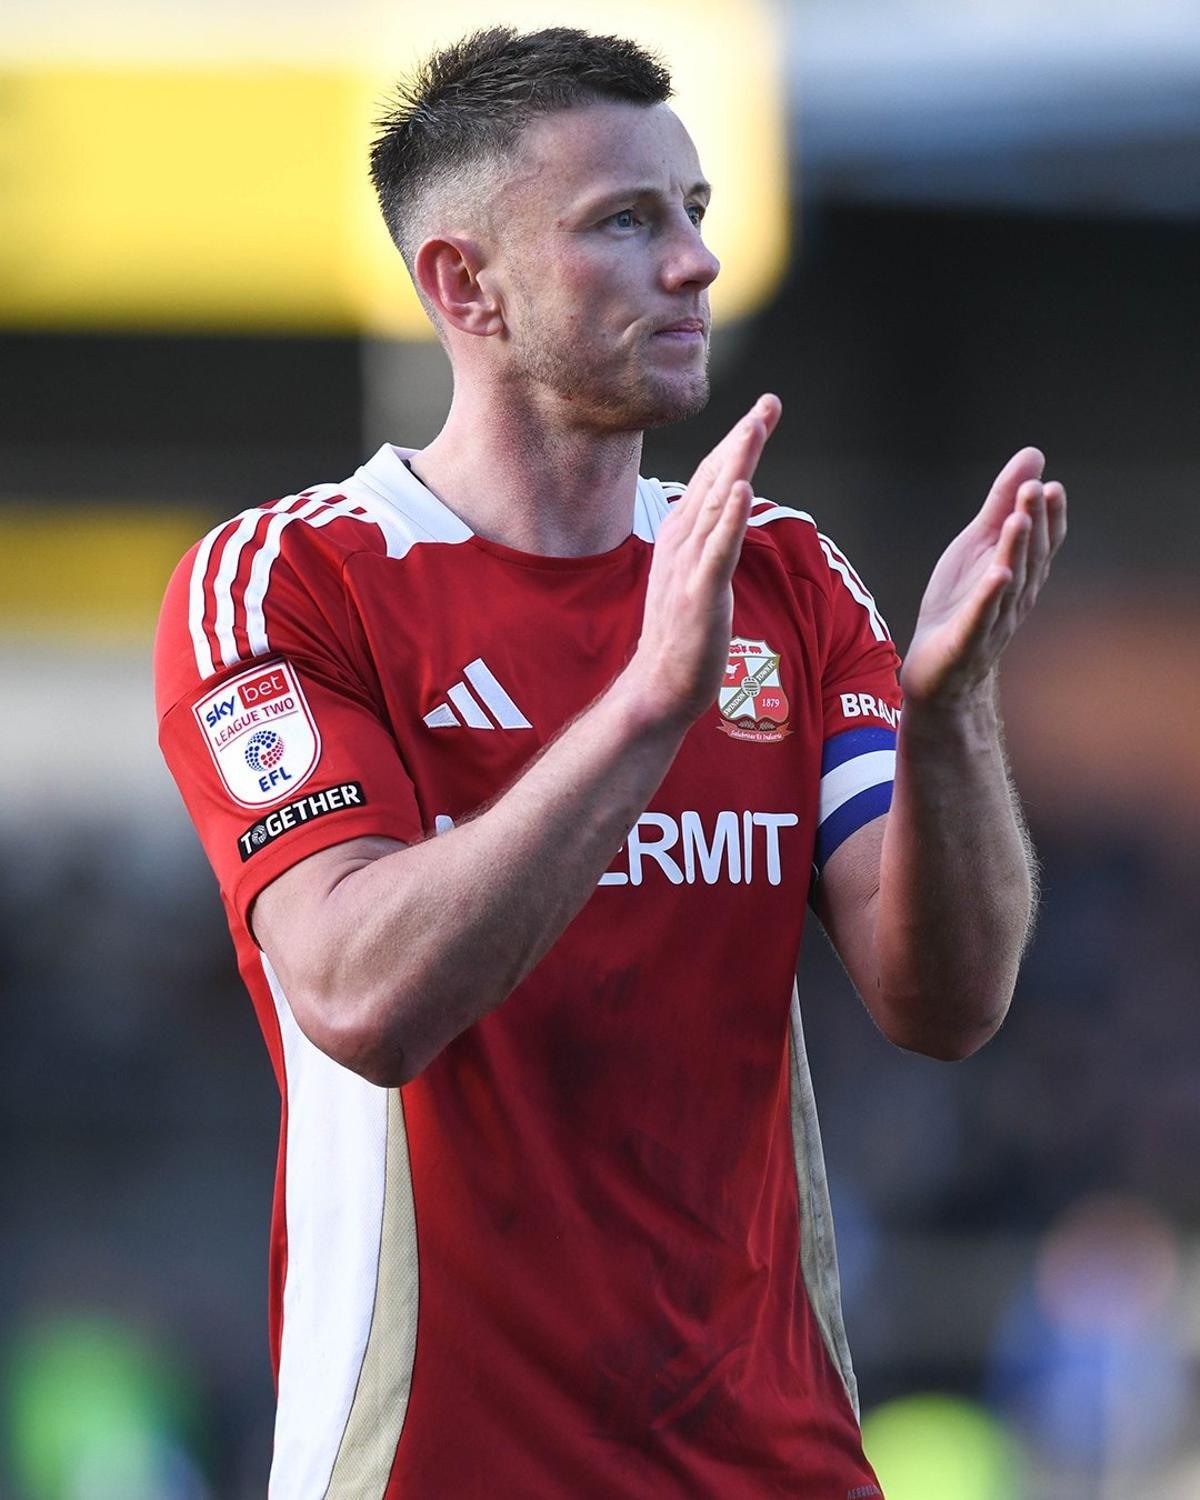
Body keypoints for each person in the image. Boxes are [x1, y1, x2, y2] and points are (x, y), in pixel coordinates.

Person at [154, 26, 1066, 1499]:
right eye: (626, 221)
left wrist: (953, 717)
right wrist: (646, 709)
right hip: (439, 1469)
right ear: (467, 285)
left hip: (776, 1468)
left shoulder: (784, 575)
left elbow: (946, 1002)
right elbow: (361, 997)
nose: (696, 262)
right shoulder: (287, 584)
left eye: (694, 210)